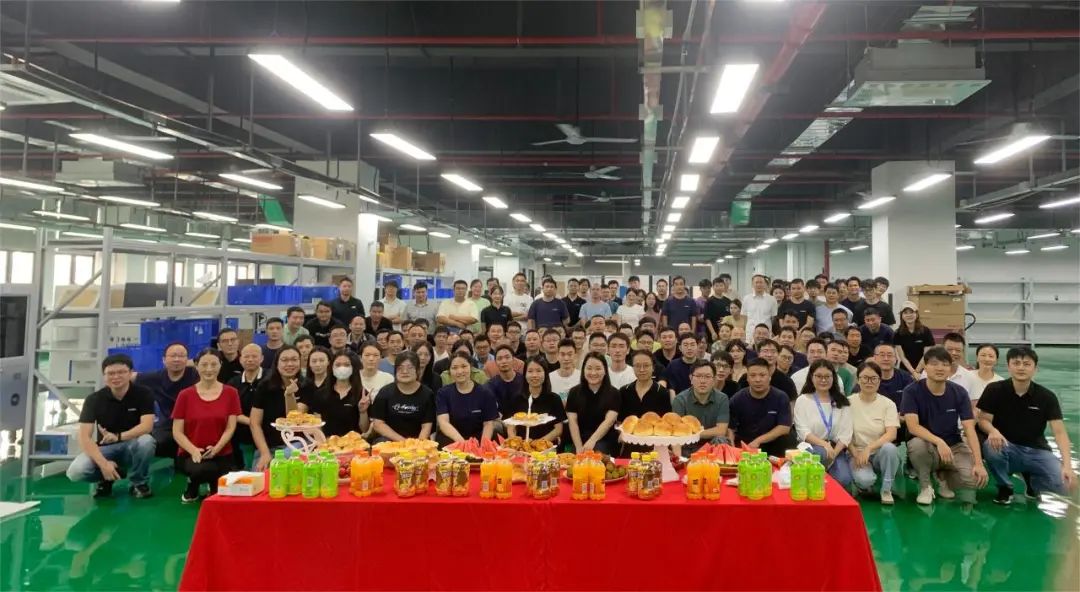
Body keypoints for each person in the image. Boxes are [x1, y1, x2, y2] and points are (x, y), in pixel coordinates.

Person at [977, 346, 1076, 504]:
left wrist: (1068, 466)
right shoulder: (994, 390)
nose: (1021, 368)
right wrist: (993, 431)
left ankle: (1032, 483)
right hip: (1005, 447)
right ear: (1008, 366)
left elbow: (1059, 433)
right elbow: (983, 420)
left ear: (1035, 368)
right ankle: (1005, 486)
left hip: (1036, 450)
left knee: (1064, 484)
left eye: (1026, 364)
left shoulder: (1047, 397)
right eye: (1016, 363)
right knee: (991, 445)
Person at [900, 347, 989, 505]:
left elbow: (969, 429)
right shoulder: (912, 391)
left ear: (950, 368)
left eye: (945, 364)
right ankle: (925, 486)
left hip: (953, 444)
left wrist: (978, 463)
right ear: (925, 366)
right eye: (934, 364)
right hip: (926, 444)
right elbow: (913, 427)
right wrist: (939, 442)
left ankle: (942, 478)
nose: (940, 368)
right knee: (918, 446)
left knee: (974, 480)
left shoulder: (959, 392)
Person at [67, 354, 156, 499]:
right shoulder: (94, 399)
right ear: (104, 376)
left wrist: (118, 437)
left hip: (133, 445)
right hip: (105, 448)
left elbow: (147, 426)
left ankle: (138, 483)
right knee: (76, 472)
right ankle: (108, 477)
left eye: (121, 372)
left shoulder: (144, 394)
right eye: (110, 373)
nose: (116, 377)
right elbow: (84, 437)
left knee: (146, 441)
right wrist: (103, 464)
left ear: (131, 373)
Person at [171, 348, 241, 502]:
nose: (209, 369)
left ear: (220, 365)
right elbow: (177, 431)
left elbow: (230, 427)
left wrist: (217, 448)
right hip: (191, 454)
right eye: (204, 365)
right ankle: (193, 483)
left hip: (222, 452)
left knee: (221, 493)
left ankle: (213, 483)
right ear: (196, 366)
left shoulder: (231, 393)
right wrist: (193, 450)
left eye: (214, 364)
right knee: (201, 470)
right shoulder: (185, 395)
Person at [250, 346, 315, 470]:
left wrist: (289, 395)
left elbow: (293, 420)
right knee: (257, 475)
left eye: (294, 359)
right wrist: (264, 453)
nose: (289, 364)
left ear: (300, 362)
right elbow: (254, 423)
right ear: (277, 363)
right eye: (284, 360)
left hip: (297, 444)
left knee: (283, 463)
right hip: (268, 446)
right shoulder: (264, 386)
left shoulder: (307, 385)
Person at [794, 360, 854, 488]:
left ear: (834, 378)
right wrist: (824, 445)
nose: (823, 380)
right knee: (820, 453)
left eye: (827, 376)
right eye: (819, 376)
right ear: (811, 377)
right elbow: (803, 431)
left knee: (844, 479)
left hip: (835, 449)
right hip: (811, 447)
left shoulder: (842, 402)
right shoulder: (803, 400)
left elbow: (846, 433)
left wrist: (834, 453)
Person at [849, 361, 901, 504]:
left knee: (890, 448)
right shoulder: (848, 403)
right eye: (865, 378)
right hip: (856, 452)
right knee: (865, 480)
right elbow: (844, 434)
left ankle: (886, 489)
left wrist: (869, 448)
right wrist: (855, 453)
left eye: (873, 378)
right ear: (858, 379)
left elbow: (891, 434)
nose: (869, 382)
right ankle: (862, 483)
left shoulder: (888, 404)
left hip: (879, 452)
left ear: (879, 380)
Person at [135, 342, 198, 458]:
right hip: (168, 426)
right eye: (173, 356)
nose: (177, 359)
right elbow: (131, 377)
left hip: (194, 424)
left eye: (181, 356)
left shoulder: (197, 375)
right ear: (164, 360)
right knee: (154, 444)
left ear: (187, 359)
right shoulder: (156, 377)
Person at [727, 359, 794, 457]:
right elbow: (730, 428)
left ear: (769, 377)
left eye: (762, 375)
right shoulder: (737, 398)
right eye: (753, 375)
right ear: (747, 378)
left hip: (772, 443)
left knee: (789, 439)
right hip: (746, 445)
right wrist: (732, 447)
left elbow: (784, 427)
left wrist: (759, 440)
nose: (757, 380)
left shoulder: (781, 397)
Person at [369, 351, 436, 443]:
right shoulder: (385, 392)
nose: (404, 371)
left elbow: (426, 426)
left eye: (410, 368)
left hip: (417, 442)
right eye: (400, 368)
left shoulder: (427, 394)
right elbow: (378, 424)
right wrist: (404, 442)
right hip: (390, 440)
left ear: (418, 370)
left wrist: (417, 445)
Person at [435, 352, 499, 447]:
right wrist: (464, 444)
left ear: (471, 367)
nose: (460, 371)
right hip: (452, 440)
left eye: (464, 366)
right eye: (454, 368)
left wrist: (482, 447)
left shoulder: (485, 393)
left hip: (478, 439)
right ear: (449, 371)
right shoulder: (443, 393)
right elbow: (443, 423)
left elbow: (488, 424)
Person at [304, 351, 371, 438]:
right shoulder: (321, 394)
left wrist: (363, 412)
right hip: (328, 441)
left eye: (346, 365)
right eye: (338, 365)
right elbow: (317, 425)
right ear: (332, 367)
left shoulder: (362, 394)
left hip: (354, 442)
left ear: (353, 368)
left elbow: (364, 429)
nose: (342, 368)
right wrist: (323, 442)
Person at [672, 360, 730, 456]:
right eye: (698, 376)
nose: (703, 381)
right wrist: (678, 458)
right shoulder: (680, 400)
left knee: (721, 439)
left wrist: (694, 434)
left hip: (712, 445)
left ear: (714, 380)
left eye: (707, 377)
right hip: (688, 446)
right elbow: (676, 433)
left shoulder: (722, 398)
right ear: (691, 378)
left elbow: (721, 430)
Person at [566, 352, 621, 454]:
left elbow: (609, 421)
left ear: (605, 370)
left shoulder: (614, 393)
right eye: (589, 368)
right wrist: (578, 446)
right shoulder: (574, 392)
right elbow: (573, 422)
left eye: (598, 368)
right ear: (583, 370)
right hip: (579, 439)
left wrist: (592, 441)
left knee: (597, 452)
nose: (593, 373)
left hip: (604, 440)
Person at [507, 357, 568, 442]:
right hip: (521, 446)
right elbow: (511, 427)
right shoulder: (516, 398)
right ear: (525, 374)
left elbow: (558, 429)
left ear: (545, 373)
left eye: (539, 371)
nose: (534, 375)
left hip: (546, 446)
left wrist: (538, 444)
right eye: (530, 371)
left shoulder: (554, 399)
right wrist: (519, 443)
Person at [226, 343, 263, 470]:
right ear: (241, 359)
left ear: (262, 358)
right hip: (241, 427)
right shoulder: (233, 383)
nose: (250, 360)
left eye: (254, 356)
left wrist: (257, 423)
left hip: (265, 427)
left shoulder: (270, 379)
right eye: (246, 357)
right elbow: (230, 411)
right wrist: (251, 422)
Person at [894, 301, 935, 375]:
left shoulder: (926, 331)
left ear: (917, 314)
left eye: (911, 312)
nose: (909, 315)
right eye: (905, 313)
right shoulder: (898, 333)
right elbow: (902, 357)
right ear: (901, 316)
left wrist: (917, 372)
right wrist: (913, 372)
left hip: (924, 369)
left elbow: (926, 355)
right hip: (905, 370)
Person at [870, 343, 914, 409]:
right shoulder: (868, 377)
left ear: (896, 358)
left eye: (889, 355)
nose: (886, 359)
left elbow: (912, 402)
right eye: (882, 355)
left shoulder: (905, 378)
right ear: (874, 358)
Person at [487, 345, 525, 417]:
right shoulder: (490, 385)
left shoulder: (524, 381)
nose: (504, 361)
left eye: (507, 357)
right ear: (495, 362)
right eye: (499, 359)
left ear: (513, 360)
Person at [550, 338, 582, 403]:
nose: (566, 358)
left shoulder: (582, 376)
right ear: (557, 356)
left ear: (575, 356)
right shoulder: (550, 377)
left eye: (570, 354)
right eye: (562, 354)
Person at [704, 277, 731, 344]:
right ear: (713, 287)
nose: (719, 288)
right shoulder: (709, 301)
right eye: (717, 286)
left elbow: (731, 317)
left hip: (726, 334)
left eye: (721, 285)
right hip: (714, 333)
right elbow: (707, 318)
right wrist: (712, 332)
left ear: (724, 286)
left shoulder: (728, 301)